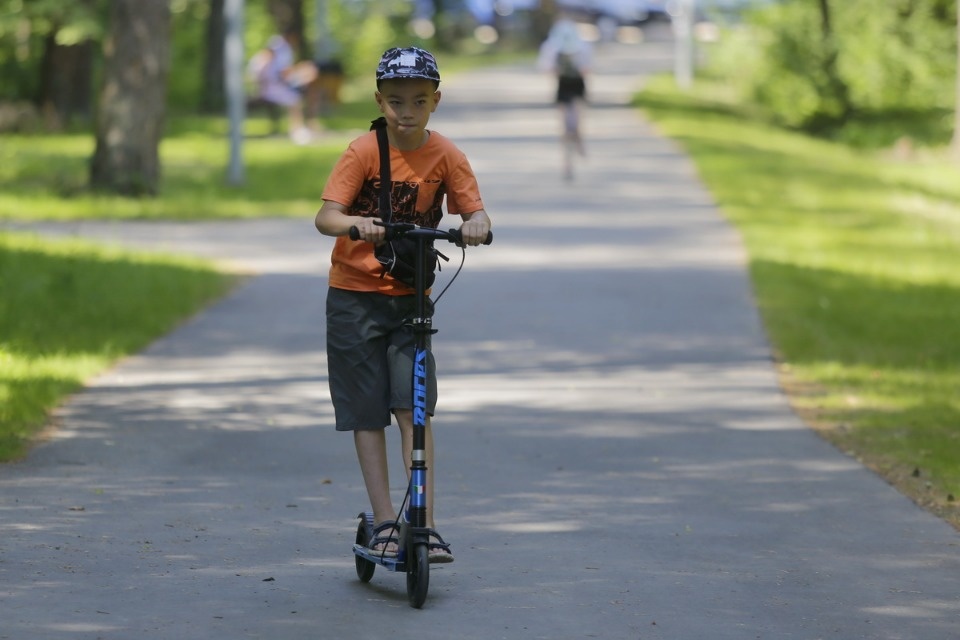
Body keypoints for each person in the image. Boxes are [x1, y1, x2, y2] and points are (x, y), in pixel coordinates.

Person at [313, 47, 492, 563]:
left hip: (410, 299)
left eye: (418, 100)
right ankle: (387, 520)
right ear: (379, 101)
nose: (406, 111)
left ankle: (425, 523)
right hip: (353, 296)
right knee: (367, 411)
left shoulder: (448, 156)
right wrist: (355, 224)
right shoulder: (363, 151)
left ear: (435, 101)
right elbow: (326, 216)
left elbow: (474, 212)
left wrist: (476, 224)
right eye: (395, 101)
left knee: (414, 408)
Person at [537, 13, 592, 180]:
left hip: (564, 86)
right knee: (574, 120)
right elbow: (587, 68)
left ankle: (568, 157)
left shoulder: (552, 46)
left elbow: (546, 68)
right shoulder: (582, 46)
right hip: (575, 86)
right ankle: (575, 146)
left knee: (565, 124)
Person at [250, 29, 322, 144]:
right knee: (295, 100)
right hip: (272, 85)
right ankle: (297, 131)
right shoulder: (277, 45)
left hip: (279, 83)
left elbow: (284, 71)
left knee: (312, 88)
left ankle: (308, 124)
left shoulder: (283, 48)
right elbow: (279, 70)